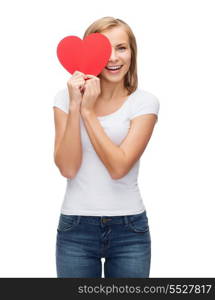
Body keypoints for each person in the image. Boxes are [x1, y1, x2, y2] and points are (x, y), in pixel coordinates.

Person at [53, 16, 160, 278]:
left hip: (129, 230)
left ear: (132, 52)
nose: (113, 58)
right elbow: (68, 167)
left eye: (121, 48)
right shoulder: (64, 99)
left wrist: (89, 114)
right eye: (105, 49)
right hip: (75, 228)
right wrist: (77, 105)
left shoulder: (144, 103)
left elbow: (119, 166)